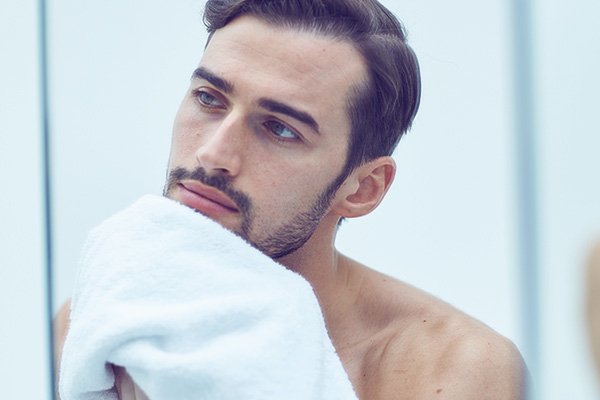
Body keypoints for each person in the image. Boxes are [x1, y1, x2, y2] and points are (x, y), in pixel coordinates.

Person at [54, 0, 526, 398]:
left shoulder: (451, 371)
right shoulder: (104, 321)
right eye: (209, 98)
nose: (213, 153)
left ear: (362, 189)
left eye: (280, 128)